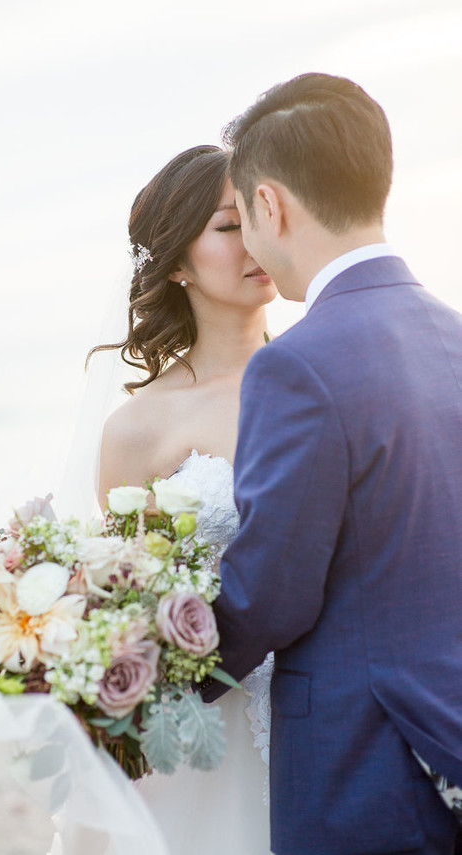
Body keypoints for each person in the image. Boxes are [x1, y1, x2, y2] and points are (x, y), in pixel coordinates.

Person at [202, 73, 462, 855]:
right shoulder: (452, 336)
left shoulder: (298, 365)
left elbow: (270, 592)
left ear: (269, 204)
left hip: (369, 766)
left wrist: (149, 678)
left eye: (242, 215)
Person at [91, 144, 278, 854]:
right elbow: (127, 597)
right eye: (229, 227)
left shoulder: (325, 376)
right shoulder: (138, 428)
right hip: (205, 729)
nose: (254, 241)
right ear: (176, 264)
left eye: (260, 216)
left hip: (326, 706)